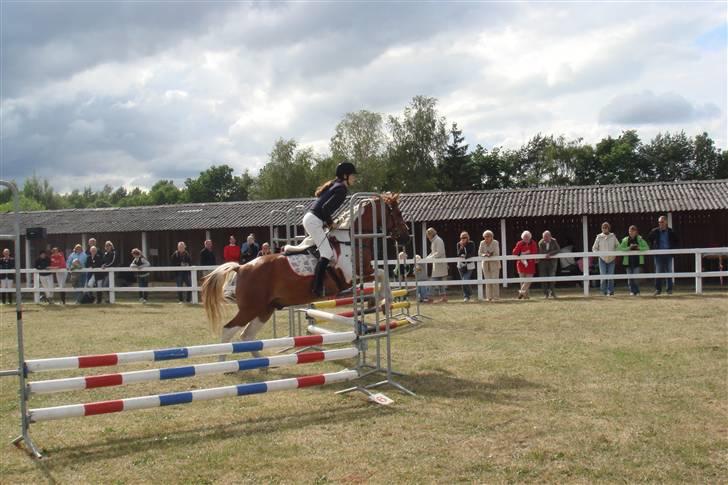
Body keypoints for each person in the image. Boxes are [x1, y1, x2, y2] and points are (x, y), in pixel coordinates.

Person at [304, 161, 357, 297]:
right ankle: (317, 288)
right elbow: (325, 208)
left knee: (326, 251)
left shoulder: (336, 185)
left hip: (313, 219)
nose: (354, 178)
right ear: (345, 176)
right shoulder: (341, 189)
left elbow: (324, 208)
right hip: (314, 221)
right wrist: (331, 223)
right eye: (352, 175)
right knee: (327, 253)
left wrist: (330, 223)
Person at [646, 215, 679, 296]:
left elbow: (677, 241)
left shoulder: (671, 231)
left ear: (666, 222)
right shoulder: (655, 231)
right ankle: (658, 290)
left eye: (662, 222)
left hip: (668, 254)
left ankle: (669, 290)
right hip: (658, 255)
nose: (660, 223)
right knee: (658, 272)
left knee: (669, 272)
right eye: (659, 222)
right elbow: (648, 239)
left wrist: (673, 249)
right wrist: (653, 248)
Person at [619, 225, 649, 296]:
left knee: (636, 278)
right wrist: (629, 248)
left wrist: (639, 248)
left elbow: (647, 247)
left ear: (636, 232)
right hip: (628, 262)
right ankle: (632, 291)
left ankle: (637, 291)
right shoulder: (625, 240)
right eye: (630, 231)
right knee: (629, 279)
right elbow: (620, 249)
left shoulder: (640, 239)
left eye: (633, 231)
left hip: (637, 261)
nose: (631, 232)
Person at [592, 222, 619, 296]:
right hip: (602, 259)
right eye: (603, 227)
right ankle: (603, 291)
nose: (604, 229)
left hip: (612, 259)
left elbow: (618, 246)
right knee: (603, 275)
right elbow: (594, 248)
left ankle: (611, 291)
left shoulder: (613, 236)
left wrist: (615, 253)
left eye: (606, 227)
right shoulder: (599, 237)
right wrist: (598, 254)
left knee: (611, 276)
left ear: (608, 228)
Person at [425, 227, 448, 303]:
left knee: (433, 282)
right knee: (440, 283)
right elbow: (432, 252)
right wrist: (427, 258)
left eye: (428, 235)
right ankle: (444, 298)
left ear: (430, 234)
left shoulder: (438, 240)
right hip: (437, 265)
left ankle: (430, 298)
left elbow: (439, 252)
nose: (427, 237)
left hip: (440, 265)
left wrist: (429, 258)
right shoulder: (434, 241)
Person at [512, 231, 537, 299]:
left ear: (530, 237)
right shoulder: (519, 243)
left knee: (528, 280)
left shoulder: (533, 243)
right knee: (522, 281)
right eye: (524, 237)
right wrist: (522, 253)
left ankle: (521, 293)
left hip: (530, 264)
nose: (526, 238)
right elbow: (514, 252)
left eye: (527, 237)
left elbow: (534, 252)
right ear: (522, 238)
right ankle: (526, 296)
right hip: (521, 264)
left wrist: (524, 253)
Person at [478, 230, 501, 301]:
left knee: (495, 280)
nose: (486, 238)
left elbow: (496, 253)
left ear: (492, 237)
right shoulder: (482, 243)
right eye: (485, 236)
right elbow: (479, 253)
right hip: (485, 264)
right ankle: (489, 297)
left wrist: (490, 254)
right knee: (487, 281)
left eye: (488, 236)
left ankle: (496, 297)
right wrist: (484, 254)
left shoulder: (495, 242)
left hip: (494, 264)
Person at [538, 230, 561, 298]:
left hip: (552, 263)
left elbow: (558, 249)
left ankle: (552, 292)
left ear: (550, 236)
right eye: (544, 237)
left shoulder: (554, 241)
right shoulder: (540, 242)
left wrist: (550, 254)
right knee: (543, 278)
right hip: (543, 263)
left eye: (546, 237)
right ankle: (546, 293)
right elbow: (541, 252)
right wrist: (546, 254)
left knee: (552, 277)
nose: (545, 238)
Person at [456, 231, 476, 301]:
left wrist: (465, 256)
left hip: (469, 265)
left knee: (465, 280)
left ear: (468, 238)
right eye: (461, 237)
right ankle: (467, 296)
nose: (463, 239)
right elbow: (458, 254)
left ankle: (467, 295)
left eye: (464, 237)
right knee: (463, 281)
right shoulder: (458, 244)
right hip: (461, 265)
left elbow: (472, 253)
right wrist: (461, 247)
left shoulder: (471, 243)